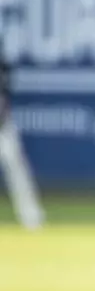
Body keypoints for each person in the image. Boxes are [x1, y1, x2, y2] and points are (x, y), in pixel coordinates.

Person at [0, 36, 45, 230]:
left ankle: (31, 217)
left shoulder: (3, 67)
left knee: (17, 168)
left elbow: (6, 92)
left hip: (2, 125)